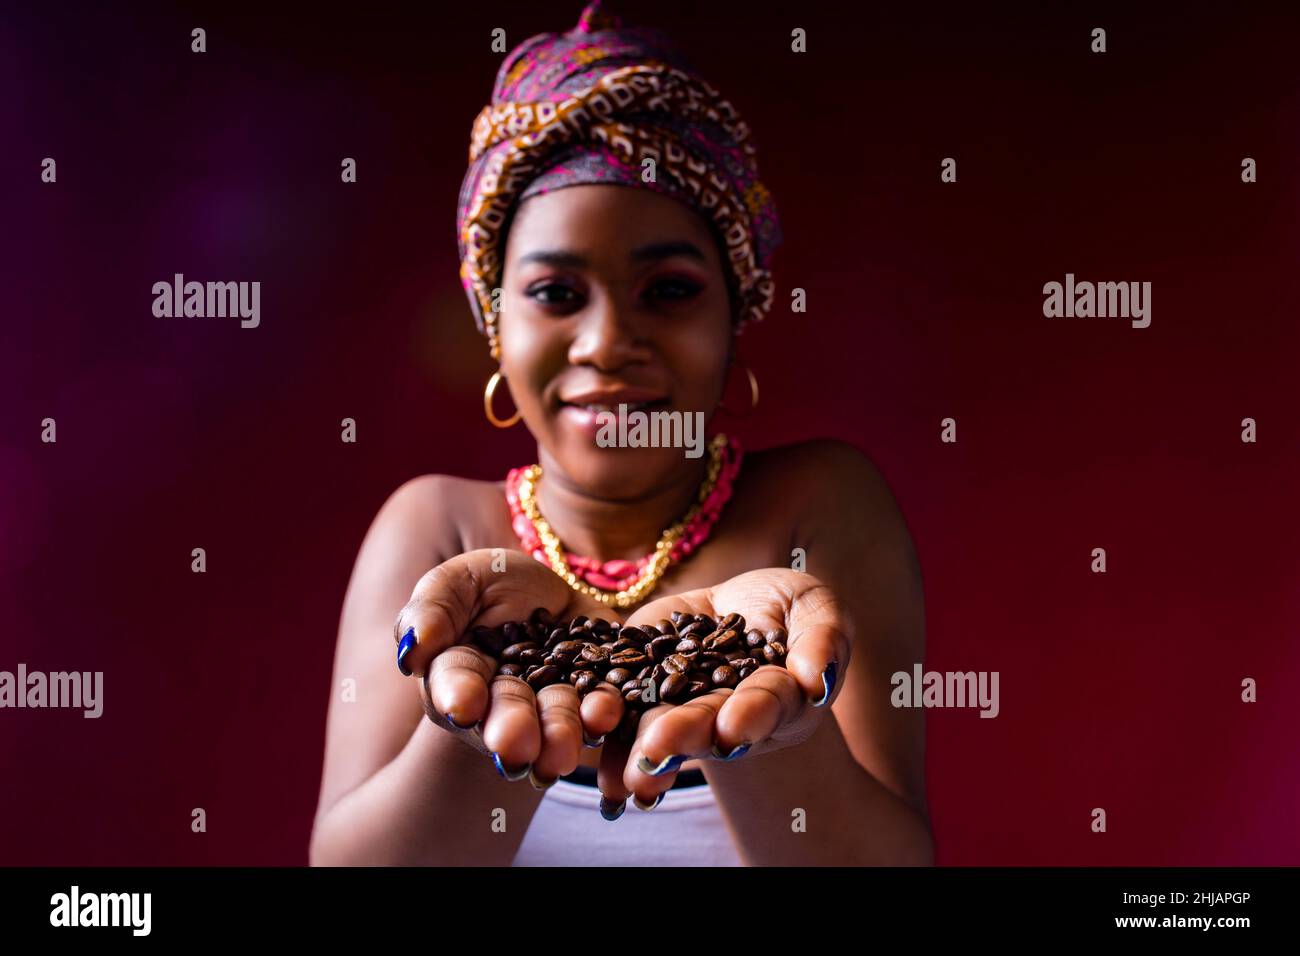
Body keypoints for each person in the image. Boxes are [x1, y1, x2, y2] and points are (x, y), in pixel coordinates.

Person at [309, 0, 932, 866]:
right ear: (496, 327)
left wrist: (779, 744)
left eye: (669, 291)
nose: (606, 344)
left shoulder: (818, 510)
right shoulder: (436, 531)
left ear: (736, 316)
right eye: (558, 295)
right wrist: (473, 728)